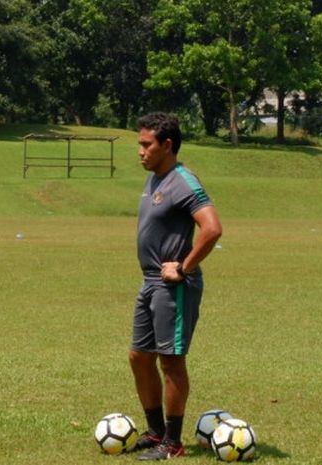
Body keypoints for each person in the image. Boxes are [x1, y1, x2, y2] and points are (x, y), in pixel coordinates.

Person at [130, 112, 222, 460]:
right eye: (139, 144)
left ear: (167, 145)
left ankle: (173, 442)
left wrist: (183, 268)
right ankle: (154, 433)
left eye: (146, 145)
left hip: (174, 286)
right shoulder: (155, 178)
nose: (140, 152)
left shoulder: (183, 181)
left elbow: (212, 228)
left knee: (171, 362)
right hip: (150, 282)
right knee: (139, 358)